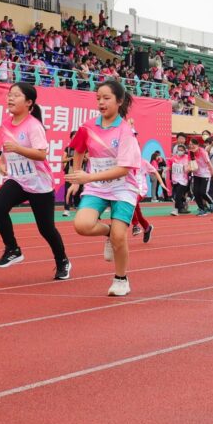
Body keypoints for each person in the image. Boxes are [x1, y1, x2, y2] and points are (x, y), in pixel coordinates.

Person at [66, 79, 142, 297]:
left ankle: (121, 279)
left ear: (119, 101)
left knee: (121, 237)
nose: (101, 102)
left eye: (106, 98)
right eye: (98, 98)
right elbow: (78, 150)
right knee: (81, 225)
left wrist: (88, 177)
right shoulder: (88, 127)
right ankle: (108, 232)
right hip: (96, 187)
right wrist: (76, 177)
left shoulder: (125, 131)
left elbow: (123, 170)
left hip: (123, 188)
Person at [0, 82, 72, 280]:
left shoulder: (34, 126)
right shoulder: (7, 123)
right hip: (18, 179)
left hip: (38, 183)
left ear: (29, 103)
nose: (10, 98)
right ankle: (13, 249)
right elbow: (6, 147)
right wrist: (2, 162)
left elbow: (41, 154)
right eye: (10, 94)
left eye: (16, 95)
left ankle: (62, 260)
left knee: (46, 228)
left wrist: (18, 149)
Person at [167, 143, 191, 215]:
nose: (180, 151)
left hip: (183, 179)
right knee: (179, 194)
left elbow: (190, 166)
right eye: (179, 150)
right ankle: (183, 204)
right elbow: (169, 166)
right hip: (175, 179)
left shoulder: (187, 157)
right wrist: (165, 171)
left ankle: (176, 209)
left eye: (181, 150)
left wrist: (187, 169)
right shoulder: (173, 158)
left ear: (184, 150)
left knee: (178, 194)